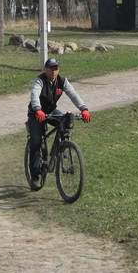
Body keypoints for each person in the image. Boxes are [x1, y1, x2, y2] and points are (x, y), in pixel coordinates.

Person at [27, 57, 91, 187]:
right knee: (36, 142)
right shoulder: (39, 81)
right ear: (45, 69)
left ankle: (62, 151)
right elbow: (34, 95)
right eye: (50, 68)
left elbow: (73, 94)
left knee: (66, 120)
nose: (53, 71)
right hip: (36, 113)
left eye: (56, 68)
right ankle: (35, 176)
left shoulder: (62, 81)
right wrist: (38, 109)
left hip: (51, 111)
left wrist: (84, 109)